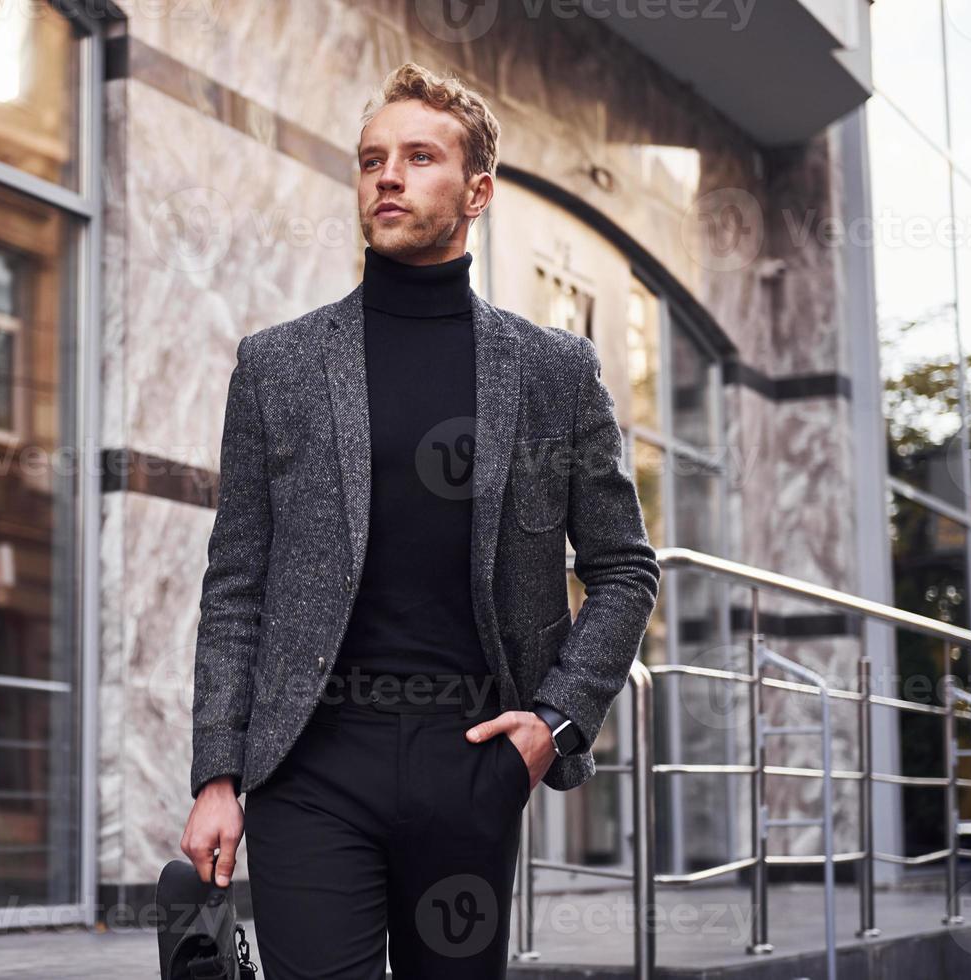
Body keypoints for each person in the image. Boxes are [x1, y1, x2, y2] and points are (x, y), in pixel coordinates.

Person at [179, 61, 661, 979]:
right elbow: (236, 581)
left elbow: (625, 568)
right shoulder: (277, 366)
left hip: (472, 763)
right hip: (310, 766)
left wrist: (553, 724)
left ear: (477, 190)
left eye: (418, 156)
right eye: (371, 159)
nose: (386, 175)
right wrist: (217, 775)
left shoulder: (555, 372)